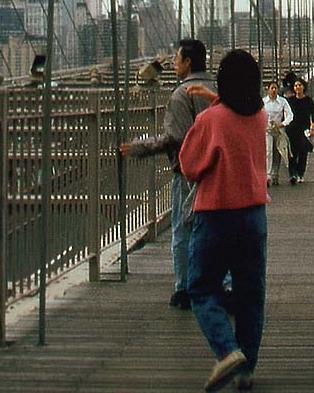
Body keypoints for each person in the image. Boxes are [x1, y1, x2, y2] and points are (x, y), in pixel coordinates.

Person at [179, 49, 269, 392]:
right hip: (254, 216)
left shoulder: (210, 121)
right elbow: (240, 110)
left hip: (216, 214)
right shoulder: (259, 115)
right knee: (250, 293)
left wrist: (210, 104)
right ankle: (246, 369)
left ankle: (227, 350)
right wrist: (215, 98)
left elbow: (190, 165)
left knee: (201, 288)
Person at [120, 39, 216, 310]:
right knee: (216, 228)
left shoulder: (180, 94)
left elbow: (175, 138)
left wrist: (139, 147)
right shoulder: (216, 89)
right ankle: (224, 285)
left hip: (188, 172)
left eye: (176, 58)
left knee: (184, 229)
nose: (173, 63)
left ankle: (184, 288)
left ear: (187, 62)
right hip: (218, 170)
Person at [284, 79, 314, 184]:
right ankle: (292, 174)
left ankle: (301, 173)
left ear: (304, 87)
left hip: (304, 129)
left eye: (299, 85)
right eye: (296, 85)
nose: (297, 87)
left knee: (303, 151)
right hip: (292, 129)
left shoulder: (308, 100)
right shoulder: (290, 100)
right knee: (292, 152)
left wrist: (313, 125)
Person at [262, 80, 291, 186]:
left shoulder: (282, 101)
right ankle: (268, 175)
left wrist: (283, 123)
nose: (274, 90)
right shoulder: (263, 102)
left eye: (275, 88)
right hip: (267, 130)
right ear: (268, 90)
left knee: (277, 152)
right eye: (272, 88)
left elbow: (289, 114)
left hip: (278, 130)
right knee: (268, 151)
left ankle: (275, 174)